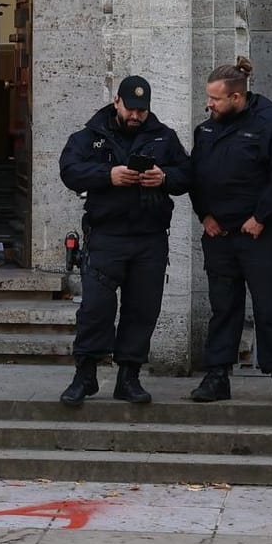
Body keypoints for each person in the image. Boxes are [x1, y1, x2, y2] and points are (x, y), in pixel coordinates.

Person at [57, 74, 191, 407]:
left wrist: (164, 177)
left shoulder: (164, 137)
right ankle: (85, 376)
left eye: (142, 111)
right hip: (107, 236)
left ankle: (128, 377)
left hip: (150, 238)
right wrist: (109, 175)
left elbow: (188, 174)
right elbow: (69, 170)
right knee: (96, 309)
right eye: (130, 109)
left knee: (142, 309)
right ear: (117, 101)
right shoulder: (91, 135)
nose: (135, 116)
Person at [185, 57, 272, 405]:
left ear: (237, 97)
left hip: (260, 234)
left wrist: (262, 216)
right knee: (223, 307)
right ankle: (217, 375)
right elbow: (197, 176)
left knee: (270, 308)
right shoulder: (206, 129)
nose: (209, 104)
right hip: (220, 235)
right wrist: (204, 214)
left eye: (215, 99)